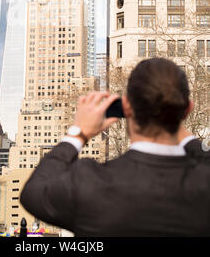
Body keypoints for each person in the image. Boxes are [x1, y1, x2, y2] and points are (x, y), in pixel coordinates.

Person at [20, 58, 210, 237]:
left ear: (126, 106)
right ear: (188, 109)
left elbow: (33, 192)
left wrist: (78, 134)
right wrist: (178, 124)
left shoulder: (89, 182)